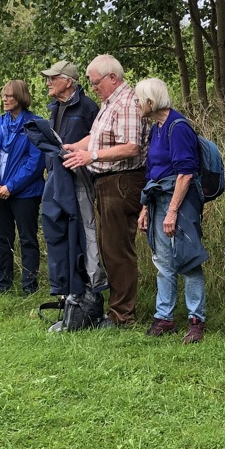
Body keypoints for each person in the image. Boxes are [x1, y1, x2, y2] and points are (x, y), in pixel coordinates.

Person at [61, 56, 149, 328]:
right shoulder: (109, 104)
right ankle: (117, 310)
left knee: (118, 250)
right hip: (108, 180)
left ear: (113, 77)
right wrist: (75, 146)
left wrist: (92, 156)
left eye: (96, 82)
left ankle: (123, 316)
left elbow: (131, 146)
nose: (94, 87)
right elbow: (98, 136)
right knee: (109, 248)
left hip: (122, 180)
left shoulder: (128, 103)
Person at [33, 61, 105, 331]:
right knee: (60, 234)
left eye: (53, 78)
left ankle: (91, 295)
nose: (48, 83)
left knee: (85, 234)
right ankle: (70, 293)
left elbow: (98, 141)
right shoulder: (54, 108)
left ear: (69, 81)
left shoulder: (87, 108)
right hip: (57, 181)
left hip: (81, 180)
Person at [135, 78, 208, 344]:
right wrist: (144, 208)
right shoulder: (156, 128)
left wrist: (172, 212)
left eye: (138, 99)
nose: (136, 104)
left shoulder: (178, 127)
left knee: (188, 260)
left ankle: (196, 320)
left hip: (179, 201)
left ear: (150, 102)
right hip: (157, 199)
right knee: (163, 261)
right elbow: (152, 171)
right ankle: (164, 316)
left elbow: (185, 173)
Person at [0, 80, 44, 294]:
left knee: (27, 238)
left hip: (25, 193)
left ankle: (29, 287)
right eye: (3, 95)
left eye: (10, 96)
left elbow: (36, 162)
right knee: (2, 239)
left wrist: (11, 187)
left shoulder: (34, 123)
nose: (5, 99)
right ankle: (3, 285)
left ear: (21, 98)